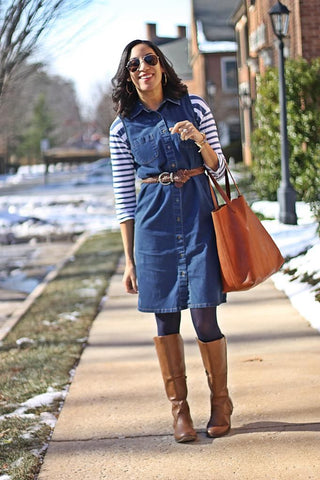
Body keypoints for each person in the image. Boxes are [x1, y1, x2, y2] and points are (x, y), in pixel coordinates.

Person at [109, 39, 233, 443]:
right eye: (134, 65)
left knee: (203, 316)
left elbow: (221, 169)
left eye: (149, 59)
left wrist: (199, 140)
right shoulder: (121, 126)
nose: (143, 67)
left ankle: (220, 402)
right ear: (128, 77)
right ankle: (180, 411)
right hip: (153, 227)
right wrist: (129, 260)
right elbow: (124, 199)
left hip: (198, 220)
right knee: (165, 318)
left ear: (162, 65)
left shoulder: (195, 107)